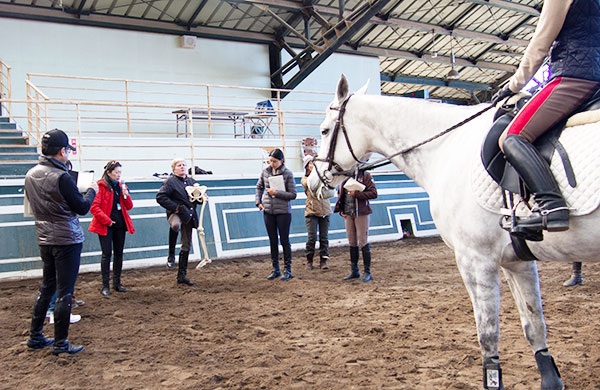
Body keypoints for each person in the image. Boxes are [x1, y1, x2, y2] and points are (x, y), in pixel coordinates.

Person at [493, 0, 600, 237]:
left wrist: (513, 85)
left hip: (573, 78)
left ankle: (552, 205)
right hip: (596, 79)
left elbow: (541, 42)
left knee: (511, 137)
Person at [24, 128, 97, 355]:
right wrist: (91, 191)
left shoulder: (31, 174)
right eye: (67, 151)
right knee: (65, 291)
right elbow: (82, 207)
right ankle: (60, 343)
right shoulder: (62, 177)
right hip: (66, 238)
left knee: (47, 286)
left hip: (44, 237)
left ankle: (35, 335)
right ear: (62, 151)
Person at [156, 158, 207, 286]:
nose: (182, 167)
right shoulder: (170, 182)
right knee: (175, 225)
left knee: (186, 245)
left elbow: (196, 198)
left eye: (184, 165)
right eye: (179, 165)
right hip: (177, 213)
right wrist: (176, 208)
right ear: (174, 169)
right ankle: (171, 254)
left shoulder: (192, 182)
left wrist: (202, 198)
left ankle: (182, 275)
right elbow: (160, 197)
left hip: (189, 215)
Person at [88, 160, 135, 297]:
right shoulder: (100, 186)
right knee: (106, 254)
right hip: (106, 226)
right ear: (108, 173)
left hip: (120, 225)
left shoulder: (120, 186)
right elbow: (94, 207)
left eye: (120, 172)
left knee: (119, 254)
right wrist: (107, 221)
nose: (119, 175)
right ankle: (105, 285)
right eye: (116, 172)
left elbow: (129, 206)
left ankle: (117, 283)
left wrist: (126, 194)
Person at [256, 148, 297, 280]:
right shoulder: (265, 172)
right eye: (270, 161)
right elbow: (259, 187)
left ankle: (287, 269)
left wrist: (277, 193)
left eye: (274, 161)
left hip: (283, 212)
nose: (271, 164)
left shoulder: (288, 174)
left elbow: (293, 194)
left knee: (284, 240)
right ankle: (275, 269)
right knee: (273, 240)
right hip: (268, 211)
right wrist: (258, 202)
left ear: (281, 160)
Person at [334, 170, 378, 282]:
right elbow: (340, 194)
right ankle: (355, 270)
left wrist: (357, 194)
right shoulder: (343, 177)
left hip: (361, 212)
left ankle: (367, 271)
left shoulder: (365, 175)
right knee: (352, 242)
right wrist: (341, 208)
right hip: (348, 213)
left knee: (363, 241)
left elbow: (373, 193)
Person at [301, 156, 332, 270]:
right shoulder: (305, 179)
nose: (313, 165)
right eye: (311, 163)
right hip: (311, 211)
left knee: (324, 237)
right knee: (312, 237)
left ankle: (324, 260)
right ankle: (309, 260)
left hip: (325, 210)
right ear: (306, 166)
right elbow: (310, 185)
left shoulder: (323, 176)